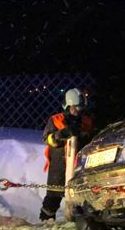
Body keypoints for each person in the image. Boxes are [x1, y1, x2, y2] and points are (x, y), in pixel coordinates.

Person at [39, 88, 95, 221]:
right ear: (67, 106)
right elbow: (47, 139)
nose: (77, 111)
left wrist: (83, 135)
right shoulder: (56, 120)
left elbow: (92, 139)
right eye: (74, 108)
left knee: (81, 197)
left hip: (80, 165)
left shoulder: (86, 121)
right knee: (53, 198)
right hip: (59, 165)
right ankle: (46, 221)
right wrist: (62, 134)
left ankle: (81, 222)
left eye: (79, 108)